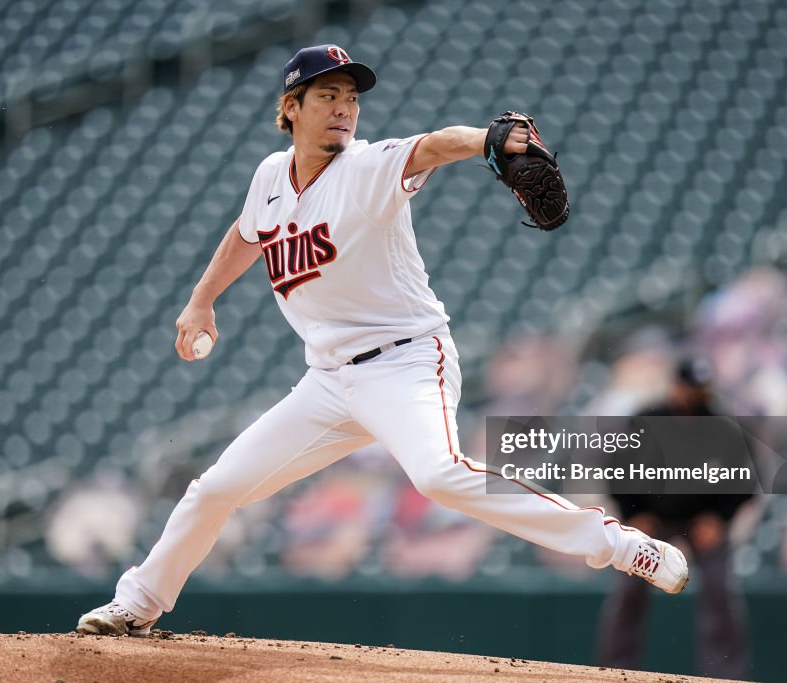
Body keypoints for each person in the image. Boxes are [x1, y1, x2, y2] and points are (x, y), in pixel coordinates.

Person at [76, 44, 688, 637]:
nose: (345, 107)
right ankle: (137, 603)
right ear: (291, 106)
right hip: (328, 382)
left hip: (407, 363)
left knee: (439, 476)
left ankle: (620, 545)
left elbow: (431, 146)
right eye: (328, 95)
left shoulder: (365, 168)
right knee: (216, 488)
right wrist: (201, 300)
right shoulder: (269, 175)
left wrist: (487, 140)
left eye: (351, 97)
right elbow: (247, 233)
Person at [596, 357, 751, 679]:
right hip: (653, 519)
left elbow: (746, 480)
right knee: (628, 589)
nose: (695, 395)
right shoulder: (647, 420)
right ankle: (615, 672)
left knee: (720, 589)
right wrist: (635, 516)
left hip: (702, 520)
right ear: (676, 386)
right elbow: (616, 472)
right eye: (690, 388)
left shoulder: (723, 426)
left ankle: (725, 675)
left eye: (701, 389)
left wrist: (720, 519)